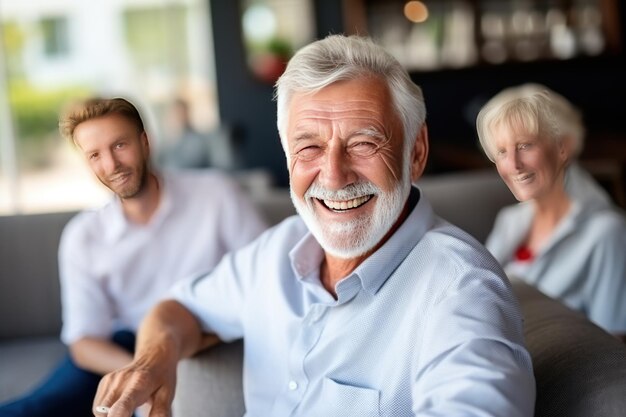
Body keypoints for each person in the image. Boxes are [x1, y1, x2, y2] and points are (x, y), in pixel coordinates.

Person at [93, 35, 535, 417]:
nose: (334, 175)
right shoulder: (279, 250)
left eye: (363, 143)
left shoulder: (462, 291)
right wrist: (153, 363)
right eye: (309, 148)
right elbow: (177, 309)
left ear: (415, 153)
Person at [0, 97, 267, 416]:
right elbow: (84, 341)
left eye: (120, 145)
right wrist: (146, 374)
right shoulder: (83, 236)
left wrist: (159, 367)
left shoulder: (217, 195)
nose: (111, 165)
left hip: (211, 336)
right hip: (126, 347)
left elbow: (267, 279)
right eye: (95, 155)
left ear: (145, 142)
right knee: (33, 409)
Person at [476, 84, 626, 340]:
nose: (513, 165)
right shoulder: (510, 220)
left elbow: (614, 340)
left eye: (524, 145)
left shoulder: (608, 232)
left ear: (563, 147)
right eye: (501, 151)